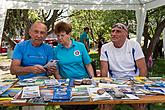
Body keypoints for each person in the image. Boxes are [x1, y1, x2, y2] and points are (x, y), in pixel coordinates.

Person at [100, 23, 147, 110]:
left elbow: (142, 68)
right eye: (112, 31)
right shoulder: (105, 47)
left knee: (140, 107)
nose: (113, 34)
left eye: (118, 31)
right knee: (104, 106)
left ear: (126, 34)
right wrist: (105, 86)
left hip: (133, 82)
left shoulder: (134, 45)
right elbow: (104, 70)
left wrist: (140, 86)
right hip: (113, 82)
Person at [53, 21, 96, 110]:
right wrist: (61, 83)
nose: (59, 38)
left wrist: (92, 80)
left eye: (62, 35)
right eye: (58, 36)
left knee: (85, 107)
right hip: (67, 83)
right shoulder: (56, 50)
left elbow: (88, 65)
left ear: (69, 34)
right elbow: (56, 70)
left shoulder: (80, 46)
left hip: (83, 82)